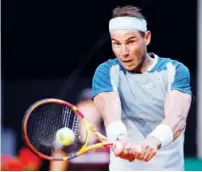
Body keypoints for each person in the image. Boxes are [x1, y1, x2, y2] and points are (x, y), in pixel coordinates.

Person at [92, 5, 192, 171]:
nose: (123, 52)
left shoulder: (175, 70)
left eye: (130, 42)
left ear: (146, 38)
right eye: (116, 43)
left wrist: (154, 140)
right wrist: (120, 138)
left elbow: (177, 117)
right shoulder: (106, 72)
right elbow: (110, 114)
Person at [49, 89, 109, 171]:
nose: (90, 109)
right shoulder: (64, 143)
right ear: (77, 108)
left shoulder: (111, 140)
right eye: (85, 104)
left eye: (94, 105)